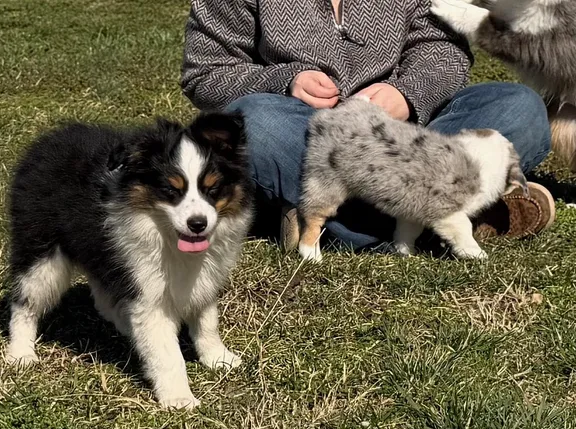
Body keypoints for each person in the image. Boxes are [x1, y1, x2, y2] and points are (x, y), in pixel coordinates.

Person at [180, 0, 556, 252]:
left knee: (516, 105)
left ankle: (335, 220)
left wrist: (406, 93)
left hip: (413, 138)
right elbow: (206, 73)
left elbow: (442, 46)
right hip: (313, 139)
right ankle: (454, 219)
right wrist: (286, 81)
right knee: (256, 122)